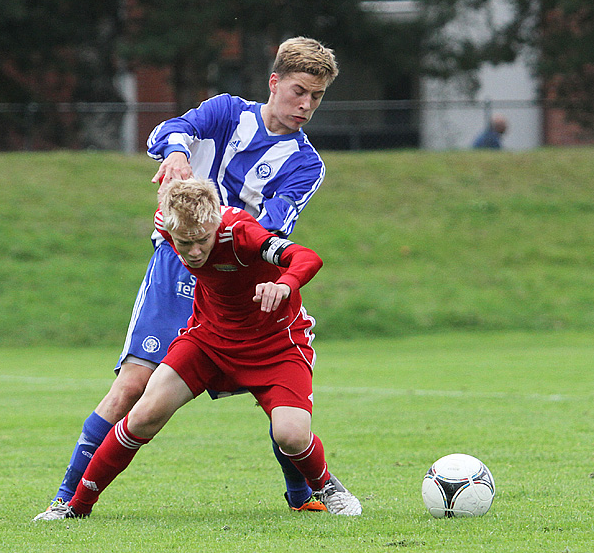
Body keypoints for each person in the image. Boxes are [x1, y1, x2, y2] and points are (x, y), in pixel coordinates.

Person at [34, 37, 340, 519]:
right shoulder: (225, 112)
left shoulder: (305, 164)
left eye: (317, 96)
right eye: (299, 90)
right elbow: (168, 130)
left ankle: (302, 493)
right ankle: (67, 495)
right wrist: (176, 153)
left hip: (239, 278)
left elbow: (272, 227)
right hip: (177, 268)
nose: (306, 105)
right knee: (133, 386)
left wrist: (195, 213)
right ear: (274, 82)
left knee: (274, 391)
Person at [34, 178, 362, 519]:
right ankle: (76, 507)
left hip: (275, 343)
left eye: (201, 240)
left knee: (290, 435)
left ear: (214, 223)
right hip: (209, 340)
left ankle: (326, 486)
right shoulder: (166, 224)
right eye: (184, 243)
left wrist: (284, 284)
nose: (193, 251)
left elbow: (306, 257)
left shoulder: (239, 233)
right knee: (144, 415)